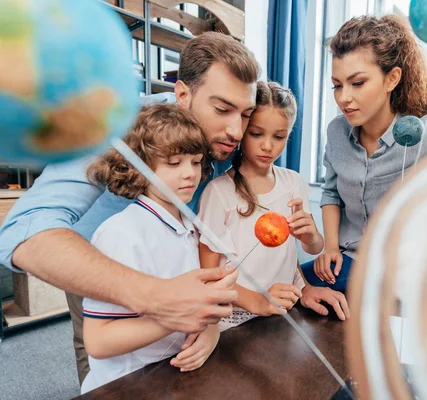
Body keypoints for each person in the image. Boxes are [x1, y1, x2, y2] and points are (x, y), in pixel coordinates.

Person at [0, 31, 259, 384]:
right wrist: (157, 297)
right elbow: (21, 231)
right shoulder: (118, 124)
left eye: (245, 114)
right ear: (183, 93)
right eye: (222, 109)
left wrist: (208, 321)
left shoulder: (229, 138)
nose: (235, 130)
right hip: (101, 268)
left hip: (180, 271)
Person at [80, 104, 223, 393]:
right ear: (140, 167)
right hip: (126, 385)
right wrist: (182, 317)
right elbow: (98, 341)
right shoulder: (120, 235)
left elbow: (200, 307)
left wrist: (210, 331)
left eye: (196, 162)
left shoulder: (189, 223)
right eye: (174, 163)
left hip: (171, 376)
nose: (190, 174)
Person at [301, 15, 427, 291]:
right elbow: (330, 193)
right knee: (292, 288)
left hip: (404, 274)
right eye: (337, 85)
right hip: (349, 260)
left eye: (358, 83)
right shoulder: (337, 132)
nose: (343, 98)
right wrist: (330, 247)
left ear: (392, 79)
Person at [199, 81, 350, 328]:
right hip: (230, 325)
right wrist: (258, 300)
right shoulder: (219, 193)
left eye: (279, 136)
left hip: (279, 317)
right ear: (242, 130)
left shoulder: (294, 183)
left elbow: (309, 250)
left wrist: (306, 285)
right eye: (256, 134)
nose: (268, 146)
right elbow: (208, 276)